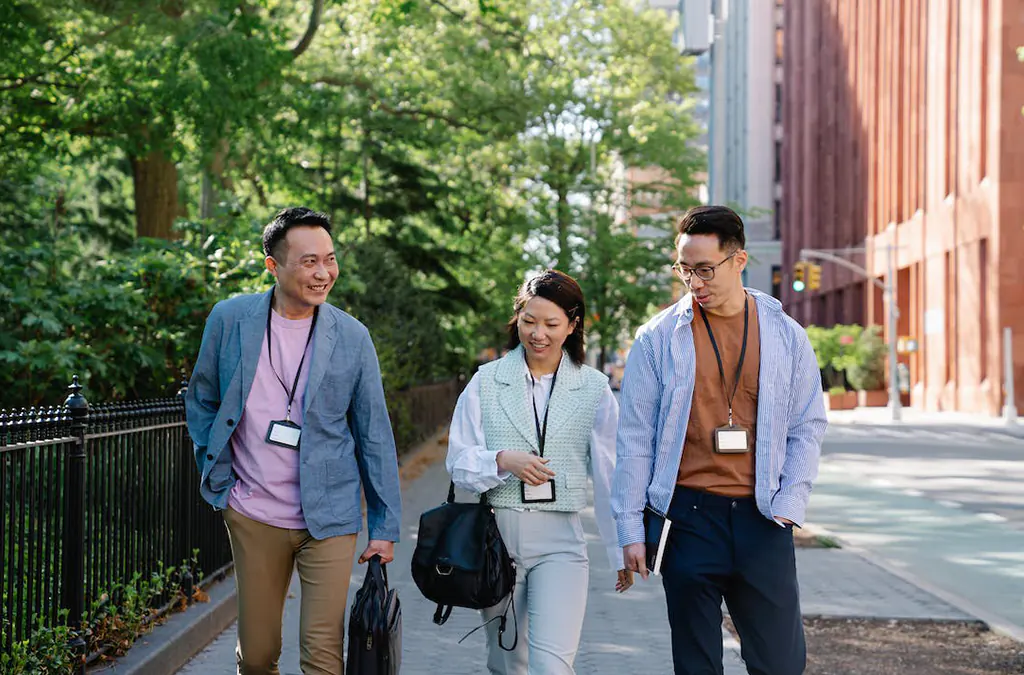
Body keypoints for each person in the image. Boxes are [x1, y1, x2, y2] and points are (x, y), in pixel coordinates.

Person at [185, 207, 402, 675]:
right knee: (258, 655)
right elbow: (201, 397)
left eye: (330, 259)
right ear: (273, 265)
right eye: (308, 262)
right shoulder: (229, 319)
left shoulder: (352, 337)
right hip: (252, 512)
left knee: (323, 653)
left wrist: (384, 525)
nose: (323, 273)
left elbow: (374, 435)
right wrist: (215, 468)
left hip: (330, 514)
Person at [612, 205, 827, 675]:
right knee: (696, 664)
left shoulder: (786, 336)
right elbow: (634, 439)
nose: (695, 282)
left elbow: (808, 424)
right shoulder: (656, 339)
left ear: (739, 260)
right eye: (685, 270)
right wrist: (630, 529)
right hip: (688, 519)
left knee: (780, 663)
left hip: (763, 517)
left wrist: (792, 501)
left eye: (706, 269)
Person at [446, 270, 630, 675]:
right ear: (517, 319)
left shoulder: (594, 388)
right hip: (494, 545)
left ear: (572, 325)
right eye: (529, 321)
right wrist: (501, 461)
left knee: (551, 666)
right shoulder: (485, 381)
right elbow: (459, 464)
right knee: (507, 663)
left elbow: (610, 475)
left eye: (551, 323)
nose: (538, 334)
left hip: (561, 544)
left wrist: (622, 548)